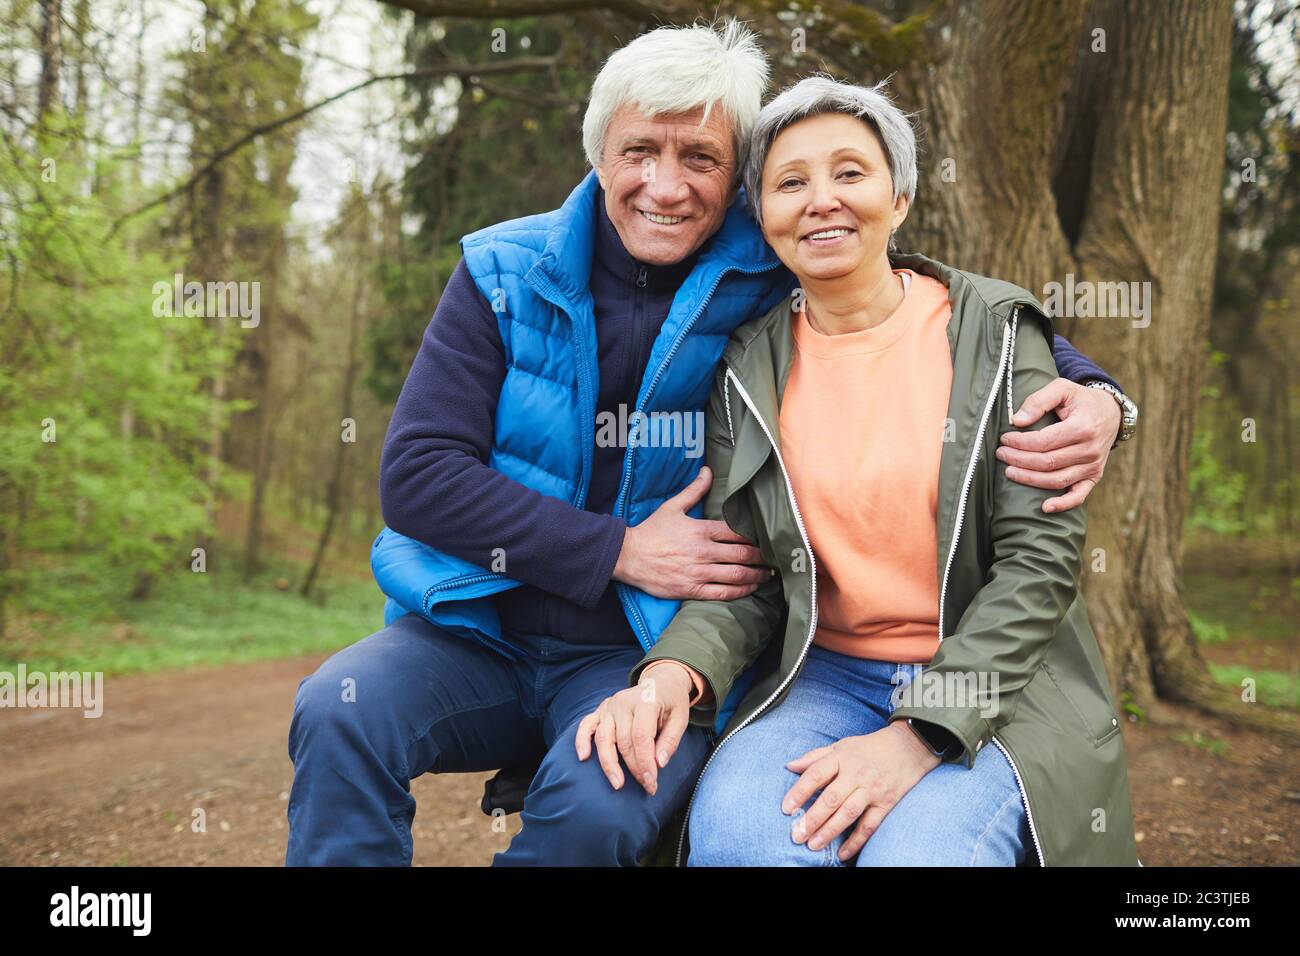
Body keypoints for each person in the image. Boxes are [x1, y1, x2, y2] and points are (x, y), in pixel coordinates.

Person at [285, 22, 1135, 867]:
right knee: (337, 709)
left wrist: (1099, 395)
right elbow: (418, 477)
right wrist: (617, 549)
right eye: (637, 151)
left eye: (700, 157)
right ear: (599, 154)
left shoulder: (768, 272)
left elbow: (923, 294)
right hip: (479, 624)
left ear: (736, 185)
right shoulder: (503, 272)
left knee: (601, 803)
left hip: (636, 646)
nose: (665, 184)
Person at [579, 75, 1140, 866]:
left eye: (850, 173)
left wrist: (917, 736)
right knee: (743, 840)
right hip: (825, 676)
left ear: (900, 198)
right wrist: (675, 670)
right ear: (764, 217)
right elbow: (752, 574)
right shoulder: (750, 367)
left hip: (996, 684)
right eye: (790, 182)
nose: (821, 200)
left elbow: (1037, 571)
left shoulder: (995, 335)